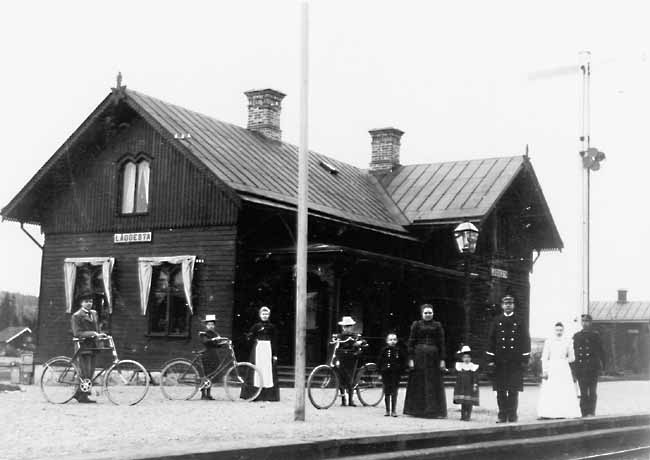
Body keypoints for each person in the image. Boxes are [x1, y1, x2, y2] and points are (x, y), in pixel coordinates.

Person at [486, 295, 531, 423]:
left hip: (514, 361)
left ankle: (512, 415)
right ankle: (502, 414)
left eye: (510, 303)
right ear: (502, 305)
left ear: (513, 305)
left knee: (513, 389)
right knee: (500, 390)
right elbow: (491, 340)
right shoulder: (496, 320)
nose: (508, 305)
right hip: (500, 361)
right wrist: (490, 359)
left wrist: (525, 359)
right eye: (505, 303)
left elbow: (525, 340)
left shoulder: (520, 320)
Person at [403, 304, 448, 418]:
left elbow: (441, 343)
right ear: (422, 314)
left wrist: (442, 359)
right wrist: (411, 359)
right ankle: (417, 410)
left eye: (430, 313)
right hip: (419, 357)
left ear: (433, 313)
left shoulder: (437, 325)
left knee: (432, 382)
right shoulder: (416, 325)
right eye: (426, 313)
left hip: (434, 357)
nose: (428, 315)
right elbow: (411, 342)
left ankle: (433, 411)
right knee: (419, 381)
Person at [537, 322, 581, 419]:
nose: (559, 332)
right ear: (554, 330)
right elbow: (544, 357)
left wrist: (563, 360)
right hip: (552, 368)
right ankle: (547, 413)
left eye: (561, 330)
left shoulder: (568, 341)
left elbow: (572, 358)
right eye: (557, 330)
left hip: (563, 368)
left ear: (563, 330)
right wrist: (545, 370)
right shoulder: (549, 341)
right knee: (551, 390)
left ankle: (564, 412)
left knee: (564, 389)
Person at [70, 292, 104, 403]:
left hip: (94, 346)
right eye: (86, 302)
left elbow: (97, 328)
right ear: (81, 303)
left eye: (91, 301)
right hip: (83, 347)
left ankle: (82, 394)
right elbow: (77, 333)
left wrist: (100, 334)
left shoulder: (94, 313)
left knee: (90, 372)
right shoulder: (76, 316)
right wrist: (93, 333)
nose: (89, 303)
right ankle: (81, 395)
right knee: (85, 371)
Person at [572, 314, 606, 417]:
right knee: (583, 392)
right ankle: (583, 412)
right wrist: (573, 368)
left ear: (590, 323)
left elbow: (601, 352)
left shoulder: (595, 336)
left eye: (586, 321)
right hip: (581, 369)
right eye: (583, 321)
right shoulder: (577, 336)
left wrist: (603, 366)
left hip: (592, 368)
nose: (584, 323)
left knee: (592, 392)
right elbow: (574, 353)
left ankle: (591, 412)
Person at [243, 306, 280, 401]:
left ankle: (268, 396)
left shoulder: (272, 327)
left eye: (266, 314)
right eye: (263, 314)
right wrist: (251, 337)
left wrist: (275, 354)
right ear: (260, 315)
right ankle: (255, 395)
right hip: (258, 349)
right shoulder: (256, 326)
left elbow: (275, 341)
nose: (265, 316)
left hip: (268, 349)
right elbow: (250, 337)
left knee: (267, 371)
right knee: (257, 370)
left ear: (269, 315)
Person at [332, 316, 367, 407]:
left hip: (351, 359)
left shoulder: (355, 336)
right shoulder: (340, 336)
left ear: (352, 327)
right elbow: (333, 343)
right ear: (342, 327)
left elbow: (363, 342)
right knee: (340, 378)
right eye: (345, 326)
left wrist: (359, 343)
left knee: (350, 378)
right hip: (341, 358)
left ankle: (351, 400)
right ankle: (343, 400)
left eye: (349, 326)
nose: (347, 328)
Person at [377, 332, 407, 417]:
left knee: (394, 392)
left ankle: (393, 410)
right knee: (387, 391)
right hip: (386, 373)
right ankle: (387, 410)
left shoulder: (399, 350)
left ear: (397, 341)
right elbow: (379, 362)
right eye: (390, 340)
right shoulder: (384, 350)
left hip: (395, 374)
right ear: (387, 341)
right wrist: (379, 372)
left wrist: (401, 371)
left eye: (394, 340)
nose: (392, 341)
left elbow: (403, 361)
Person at [199, 314, 227, 400]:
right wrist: (212, 340)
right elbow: (205, 342)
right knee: (206, 374)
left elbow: (216, 345)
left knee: (211, 375)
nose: (211, 326)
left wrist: (223, 343)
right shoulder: (204, 333)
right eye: (209, 324)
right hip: (207, 354)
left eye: (212, 324)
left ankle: (209, 394)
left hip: (214, 355)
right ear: (206, 325)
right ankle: (203, 394)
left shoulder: (215, 334)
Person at [453, 345, 480, 421]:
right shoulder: (460, 366)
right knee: (463, 402)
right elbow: (457, 374)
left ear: (471, 358)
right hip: (461, 386)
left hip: (469, 386)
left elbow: (475, 377)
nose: (466, 359)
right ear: (462, 358)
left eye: (468, 357)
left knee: (469, 401)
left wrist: (475, 384)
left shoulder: (473, 367)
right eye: (465, 357)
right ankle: (462, 415)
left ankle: (468, 415)